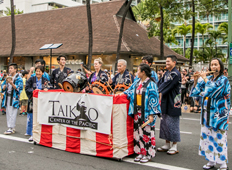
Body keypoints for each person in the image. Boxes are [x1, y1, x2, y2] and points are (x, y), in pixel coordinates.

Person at [190, 58, 230, 170]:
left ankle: (222, 164)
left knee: (219, 139)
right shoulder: (207, 78)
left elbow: (216, 92)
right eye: (212, 65)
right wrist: (196, 80)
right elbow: (195, 92)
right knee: (208, 138)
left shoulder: (224, 80)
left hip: (219, 115)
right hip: (206, 115)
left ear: (220, 67)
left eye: (216, 65)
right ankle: (211, 161)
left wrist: (205, 80)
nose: (213, 67)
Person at [122, 63, 161, 163]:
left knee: (147, 133)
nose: (136, 73)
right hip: (137, 111)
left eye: (138, 71)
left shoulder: (151, 84)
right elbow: (130, 91)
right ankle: (140, 152)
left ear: (143, 72)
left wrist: (152, 114)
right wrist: (121, 94)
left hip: (147, 112)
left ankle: (148, 154)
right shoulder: (137, 82)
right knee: (137, 132)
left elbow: (154, 99)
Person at [157, 55, 181, 155]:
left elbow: (166, 85)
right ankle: (167, 144)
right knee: (165, 122)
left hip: (174, 101)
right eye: (166, 62)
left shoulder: (176, 73)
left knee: (172, 123)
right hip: (165, 100)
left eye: (168, 62)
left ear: (174, 62)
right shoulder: (167, 73)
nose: (166, 63)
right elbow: (160, 83)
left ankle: (174, 145)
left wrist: (156, 90)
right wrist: (155, 88)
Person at [26, 65, 52, 142]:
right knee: (32, 117)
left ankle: (40, 134)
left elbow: (50, 87)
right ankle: (32, 134)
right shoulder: (31, 79)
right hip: (33, 100)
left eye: (39, 71)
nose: (38, 73)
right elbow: (27, 88)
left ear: (42, 72)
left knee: (40, 117)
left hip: (42, 101)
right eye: (36, 71)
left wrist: (47, 89)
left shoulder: (45, 80)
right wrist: (34, 91)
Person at [1, 63, 23, 135]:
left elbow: (19, 88)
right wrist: (4, 87)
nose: (10, 70)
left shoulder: (18, 78)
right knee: (8, 112)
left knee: (13, 112)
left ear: (15, 69)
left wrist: (12, 83)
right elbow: (3, 86)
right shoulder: (8, 77)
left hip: (14, 98)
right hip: (7, 96)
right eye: (9, 68)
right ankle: (11, 127)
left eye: (11, 68)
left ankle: (11, 127)